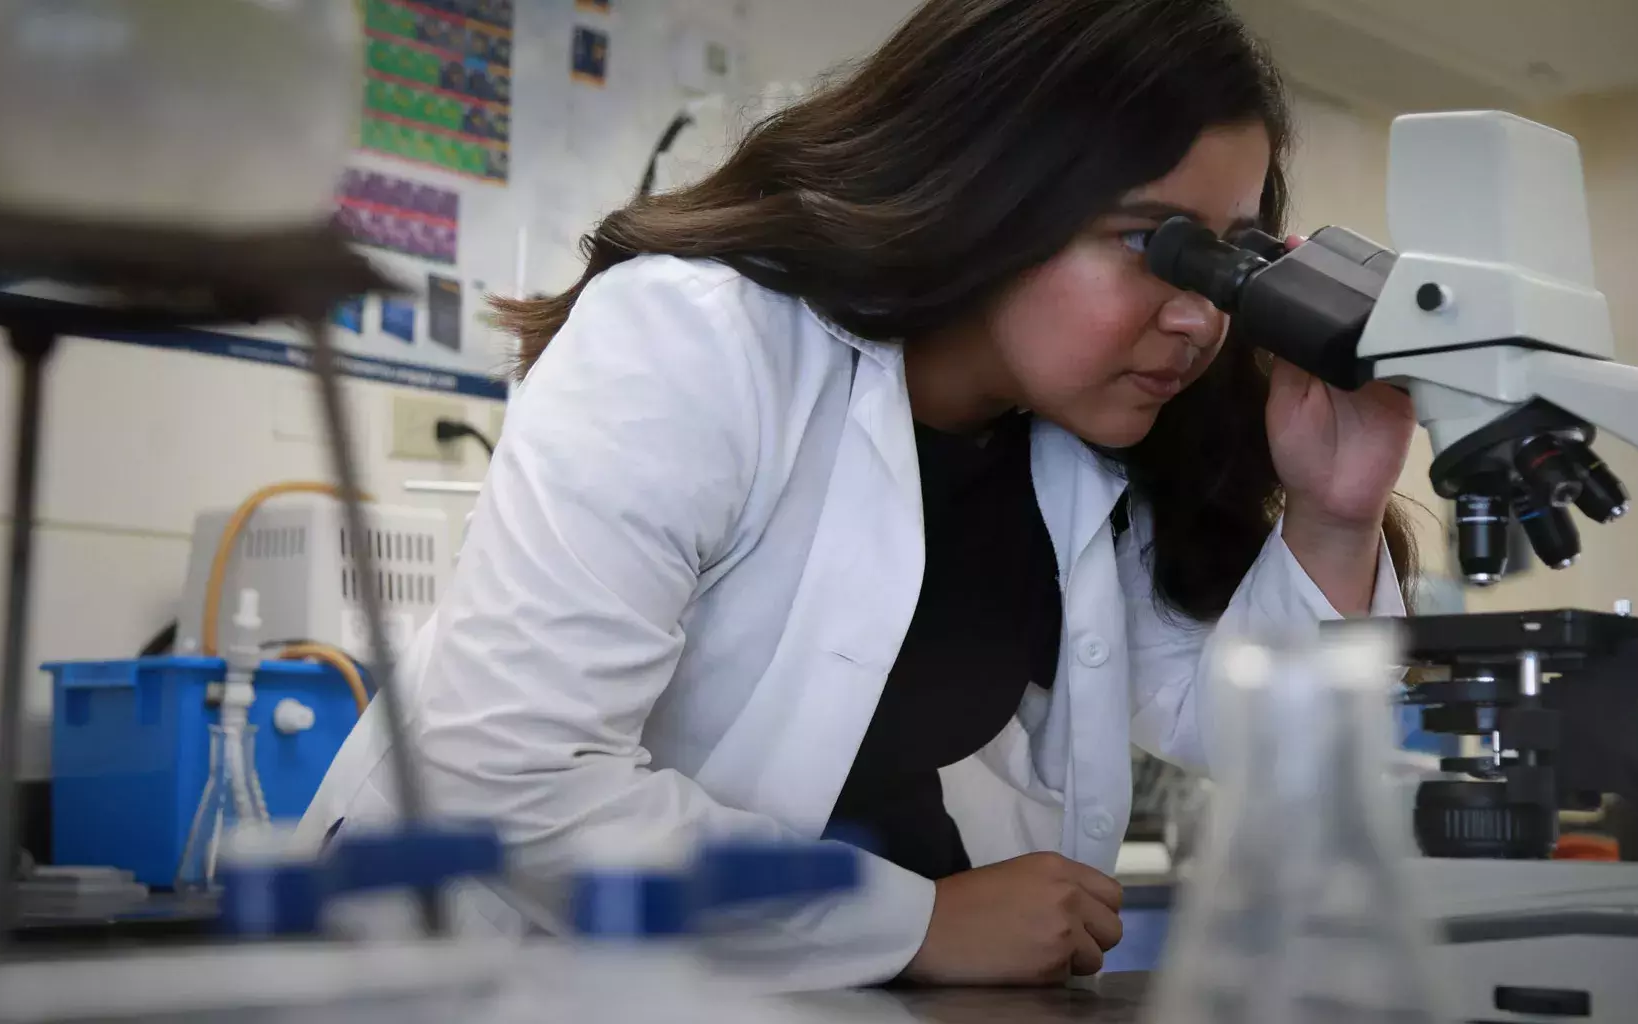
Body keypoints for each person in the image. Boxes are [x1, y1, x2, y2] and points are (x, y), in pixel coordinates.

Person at [302, 0, 1416, 989]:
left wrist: (1334, 511)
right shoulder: (695, 338)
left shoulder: (1082, 448)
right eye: (1152, 243)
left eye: (1227, 259)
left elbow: (1263, 744)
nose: (1199, 315)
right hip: (484, 970)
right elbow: (506, 779)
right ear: (994, 191)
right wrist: (914, 919)